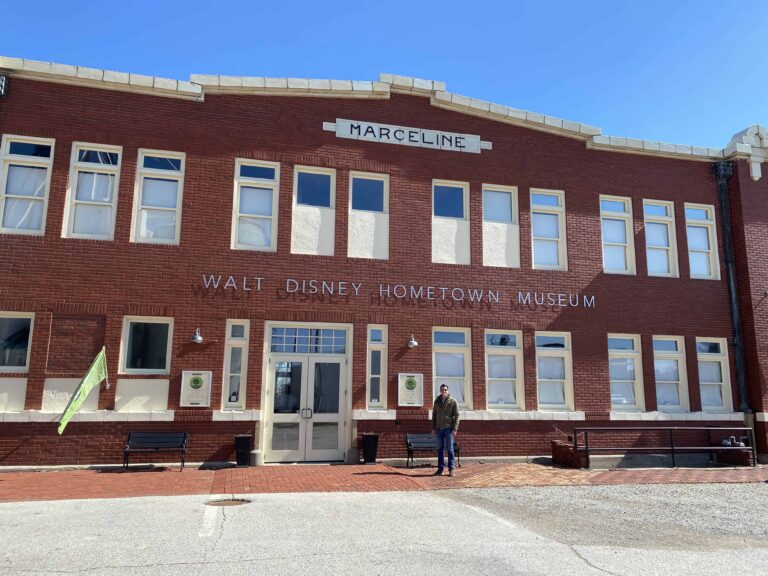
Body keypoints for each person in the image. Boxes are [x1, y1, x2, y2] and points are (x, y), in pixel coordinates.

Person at [431, 384, 459, 476]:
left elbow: (457, 416)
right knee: (440, 449)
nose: (444, 391)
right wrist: (433, 427)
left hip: (448, 429)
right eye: (442, 390)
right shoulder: (437, 401)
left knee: (450, 449)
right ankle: (440, 469)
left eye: (445, 390)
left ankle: (451, 469)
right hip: (439, 429)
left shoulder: (453, 401)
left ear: (448, 391)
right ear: (440, 391)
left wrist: (455, 428)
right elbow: (434, 415)